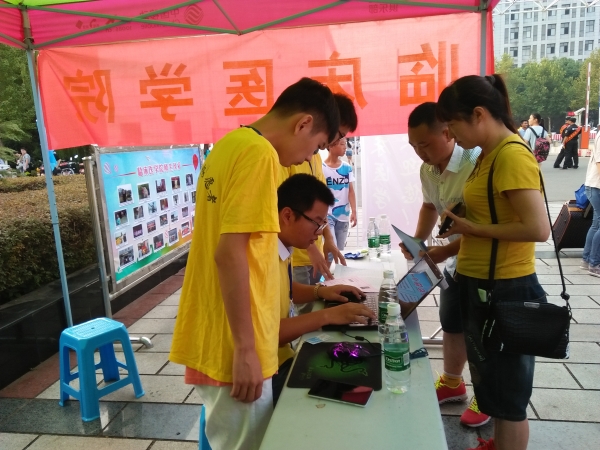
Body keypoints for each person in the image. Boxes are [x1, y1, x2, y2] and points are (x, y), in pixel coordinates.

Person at [169, 77, 339, 450]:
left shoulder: (229, 145)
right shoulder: (259, 154)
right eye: (316, 147)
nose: (307, 159)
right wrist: (246, 349)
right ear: (303, 123)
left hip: (218, 330)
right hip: (235, 343)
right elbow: (229, 253)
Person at [436, 74, 550, 450]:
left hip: (506, 289)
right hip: (482, 284)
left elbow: (538, 228)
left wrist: (471, 227)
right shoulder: (487, 155)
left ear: (479, 114)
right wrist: (449, 246)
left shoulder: (511, 155)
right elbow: (491, 221)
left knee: (509, 394)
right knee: (494, 383)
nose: (451, 135)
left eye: (452, 124)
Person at [403, 102, 488, 427]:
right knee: (451, 320)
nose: (420, 153)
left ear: (448, 132)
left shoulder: (475, 161)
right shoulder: (428, 170)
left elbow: (488, 228)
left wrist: (441, 252)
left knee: (481, 329)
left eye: (425, 144)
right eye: (413, 146)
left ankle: (488, 396)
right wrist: (418, 241)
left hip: (486, 262)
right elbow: (429, 206)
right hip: (455, 261)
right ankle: (453, 382)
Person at [272, 173, 375, 405]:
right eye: (316, 222)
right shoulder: (262, 255)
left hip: (280, 357)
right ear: (287, 215)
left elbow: (285, 289)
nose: (319, 232)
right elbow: (268, 335)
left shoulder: (283, 247)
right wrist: (328, 315)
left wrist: (320, 291)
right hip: (266, 372)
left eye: (324, 224)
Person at [288, 92, 358, 314]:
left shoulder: (314, 158)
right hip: (297, 255)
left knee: (315, 306)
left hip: (314, 249)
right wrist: (310, 248)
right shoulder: (286, 158)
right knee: (302, 312)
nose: (336, 141)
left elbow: (320, 206)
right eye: (339, 135)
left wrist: (327, 238)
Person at [322, 135, 357, 255]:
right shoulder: (322, 168)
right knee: (331, 251)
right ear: (331, 146)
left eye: (345, 144)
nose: (345, 147)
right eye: (342, 144)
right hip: (328, 215)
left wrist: (354, 211)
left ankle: (336, 268)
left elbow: (350, 191)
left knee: (340, 251)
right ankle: (328, 268)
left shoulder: (347, 168)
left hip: (344, 215)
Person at [581, 137, 600, 277]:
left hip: (594, 186)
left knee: (596, 224)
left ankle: (587, 260)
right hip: (596, 186)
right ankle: (594, 264)